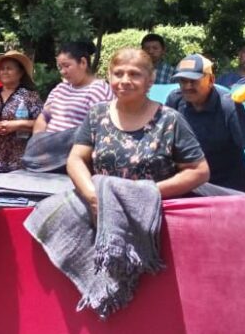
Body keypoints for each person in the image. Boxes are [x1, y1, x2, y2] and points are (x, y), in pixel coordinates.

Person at [67, 48, 210, 214]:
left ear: (150, 79)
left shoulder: (169, 120)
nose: (125, 80)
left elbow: (199, 171)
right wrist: (93, 196)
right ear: (109, 76)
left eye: (134, 74)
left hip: (153, 217)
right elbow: (76, 159)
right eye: (118, 74)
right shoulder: (97, 115)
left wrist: (145, 193)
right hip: (102, 213)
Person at [166, 54, 245, 192]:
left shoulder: (228, 106)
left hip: (229, 189)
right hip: (190, 185)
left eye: (193, 81)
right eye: (183, 81)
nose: (187, 86)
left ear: (211, 80)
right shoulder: (175, 100)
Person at [0, 51, 43, 174]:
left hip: (18, 164)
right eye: (2, 69)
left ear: (20, 72)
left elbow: (42, 123)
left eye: (9, 68)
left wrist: (16, 125)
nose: (4, 72)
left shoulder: (30, 96)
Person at [32, 41, 114, 134]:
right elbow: (43, 117)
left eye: (67, 66)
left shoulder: (98, 90)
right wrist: (38, 141)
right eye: (60, 67)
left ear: (83, 62)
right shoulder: (60, 89)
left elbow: (101, 130)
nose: (63, 71)